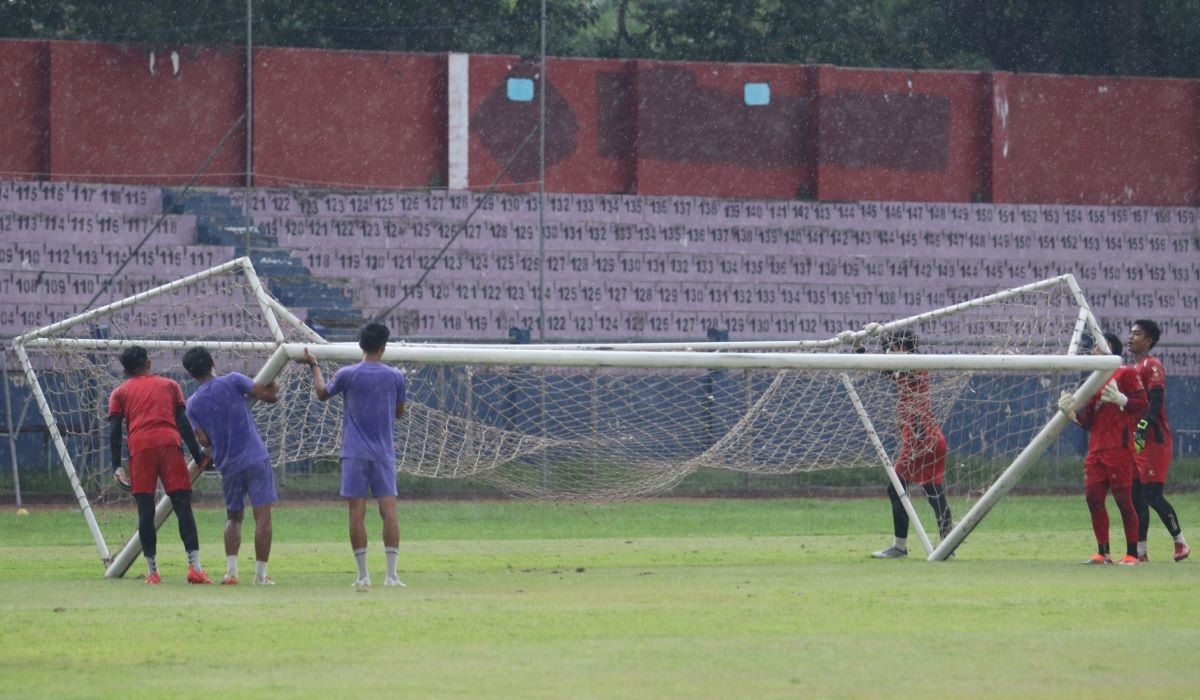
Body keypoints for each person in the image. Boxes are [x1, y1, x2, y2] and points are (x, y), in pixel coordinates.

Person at [299, 322, 408, 588]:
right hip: (383, 452)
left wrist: (314, 365)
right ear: (384, 347)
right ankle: (391, 576)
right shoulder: (395, 377)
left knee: (356, 513)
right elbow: (400, 412)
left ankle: (363, 575)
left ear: (360, 345)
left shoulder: (347, 374)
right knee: (389, 511)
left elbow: (322, 394)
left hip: (354, 453)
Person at [109, 345, 213, 584]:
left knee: (146, 512)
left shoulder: (119, 392)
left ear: (125, 372)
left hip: (140, 449)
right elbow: (183, 424)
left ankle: (153, 572)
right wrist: (198, 457)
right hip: (168, 444)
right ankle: (194, 568)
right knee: (182, 507)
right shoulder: (170, 385)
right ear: (148, 363)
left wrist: (117, 466)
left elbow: (114, 431)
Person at [183, 346, 281, 585]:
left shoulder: (193, 404)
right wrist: (276, 377)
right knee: (263, 517)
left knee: (234, 517)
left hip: (228, 464)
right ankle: (260, 575)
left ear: (192, 375)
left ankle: (231, 572)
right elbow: (268, 396)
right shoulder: (233, 380)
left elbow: (203, 440)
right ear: (213, 362)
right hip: (255, 458)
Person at [1058, 331, 1147, 565]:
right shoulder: (1093, 380)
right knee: (1093, 498)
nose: (1093, 349)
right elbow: (1089, 421)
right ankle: (1103, 553)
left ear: (1108, 346)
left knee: (1123, 500)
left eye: (1097, 345)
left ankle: (1131, 554)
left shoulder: (1125, 372)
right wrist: (1071, 414)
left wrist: (1122, 399)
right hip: (1096, 450)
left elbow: (1142, 404)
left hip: (1120, 447)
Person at [868, 329, 954, 559]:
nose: (891, 353)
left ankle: (900, 547)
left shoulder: (914, 366)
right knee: (932, 490)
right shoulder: (908, 368)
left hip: (921, 438)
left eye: (895, 348)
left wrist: (884, 342)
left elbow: (892, 365)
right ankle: (949, 545)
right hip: (932, 438)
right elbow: (888, 370)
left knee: (896, 488)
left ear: (903, 349)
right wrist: (870, 345)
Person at [1127, 320, 1189, 562]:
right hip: (1139, 442)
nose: (1131, 337)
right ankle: (1140, 552)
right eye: (1131, 333)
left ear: (1149, 341)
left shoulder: (1152, 365)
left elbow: (1156, 398)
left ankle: (1180, 542)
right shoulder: (1134, 367)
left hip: (1155, 441)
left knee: (1152, 495)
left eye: (1137, 334)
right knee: (1136, 496)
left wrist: (1144, 424)